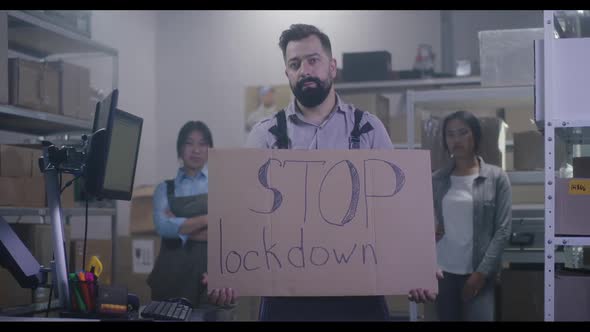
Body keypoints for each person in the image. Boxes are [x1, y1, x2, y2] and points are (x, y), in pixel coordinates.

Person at [203, 23, 437, 321]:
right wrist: (227, 273)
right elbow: (242, 216)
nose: (305, 70)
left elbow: (394, 211)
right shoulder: (265, 136)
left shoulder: (367, 129)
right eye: (295, 64)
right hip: (285, 299)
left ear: (332, 66)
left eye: (313, 60)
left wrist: (417, 266)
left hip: (359, 295)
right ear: (287, 73)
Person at [432, 110, 512, 321]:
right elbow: (423, 221)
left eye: (462, 132)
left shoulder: (496, 177)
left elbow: (503, 230)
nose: (456, 139)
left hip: (478, 273)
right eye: (450, 134)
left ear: (475, 136)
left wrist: (480, 275)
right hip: (442, 273)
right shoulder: (437, 179)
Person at [147, 121, 213, 307]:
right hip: (170, 279)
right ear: (180, 149)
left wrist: (179, 225)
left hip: (209, 279)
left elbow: (226, 230)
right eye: (189, 143)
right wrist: (208, 219)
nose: (196, 150)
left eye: (202, 143)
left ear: (210, 149)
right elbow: (163, 227)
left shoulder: (221, 185)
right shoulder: (164, 189)